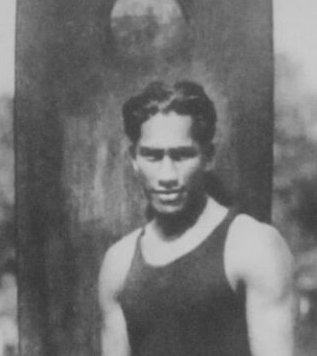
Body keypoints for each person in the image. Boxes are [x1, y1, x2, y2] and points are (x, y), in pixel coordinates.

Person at [98, 81, 294, 356]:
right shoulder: (118, 264)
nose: (167, 175)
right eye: (153, 156)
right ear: (134, 158)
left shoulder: (252, 246)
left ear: (208, 156)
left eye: (182, 155)